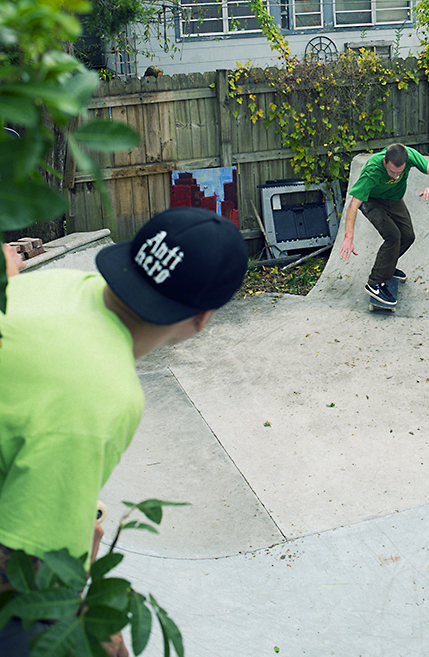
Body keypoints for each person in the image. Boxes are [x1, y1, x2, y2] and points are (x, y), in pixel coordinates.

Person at [0, 207, 248, 656]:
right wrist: (97, 632)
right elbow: (23, 574)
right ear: (203, 319)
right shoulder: (105, 396)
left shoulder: (54, 283)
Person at [339, 143, 429, 307]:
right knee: (393, 236)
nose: (395, 176)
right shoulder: (372, 170)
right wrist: (348, 237)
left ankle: (387, 265)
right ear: (385, 161)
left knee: (408, 236)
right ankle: (375, 283)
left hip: (393, 198)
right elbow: (353, 205)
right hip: (371, 201)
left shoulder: (409, 155)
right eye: (391, 172)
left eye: (399, 172)